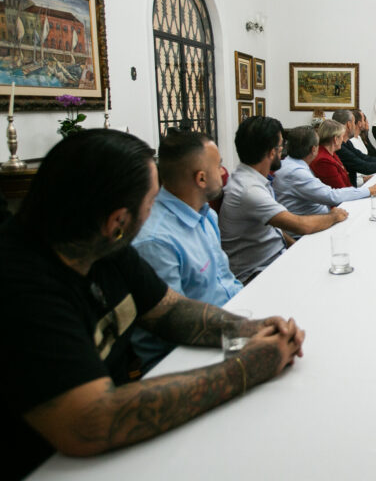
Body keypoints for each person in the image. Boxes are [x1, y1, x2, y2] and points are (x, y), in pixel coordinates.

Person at [0, 129, 304, 479]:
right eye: (150, 203)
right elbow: (92, 422)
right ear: (117, 221)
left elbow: (170, 309)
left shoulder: (104, 247)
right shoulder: (22, 285)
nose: (154, 211)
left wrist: (250, 328)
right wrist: (246, 368)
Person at [131, 129, 244, 372]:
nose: (224, 172)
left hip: (228, 324)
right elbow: (174, 328)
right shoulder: (156, 241)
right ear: (201, 178)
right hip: (187, 357)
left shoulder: (206, 215)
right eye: (219, 166)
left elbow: (225, 282)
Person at [219, 116, 347, 283]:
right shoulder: (249, 190)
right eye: (281, 146)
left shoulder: (253, 179)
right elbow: (301, 225)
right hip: (258, 273)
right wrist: (334, 216)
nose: (283, 150)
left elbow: (275, 226)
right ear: (273, 152)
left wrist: (295, 248)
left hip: (276, 259)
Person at [274, 126, 376, 221]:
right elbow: (331, 196)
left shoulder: (291, 164)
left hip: (321, 216)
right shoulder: (296, 171)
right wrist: (369, 190)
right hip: (313, 225)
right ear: (314, 149)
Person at [332, 110, 376, 186]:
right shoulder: (340, 147)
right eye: (354, 123)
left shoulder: (347, 143)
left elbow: (365, 158)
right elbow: (363, 166)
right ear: (349, 125)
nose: (355, 125)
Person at [310, 119, 356, 189]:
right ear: (335, 139)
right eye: (342, 137)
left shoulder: (331, 154)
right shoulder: (324, 161)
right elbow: (340, 190)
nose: (342, 140)